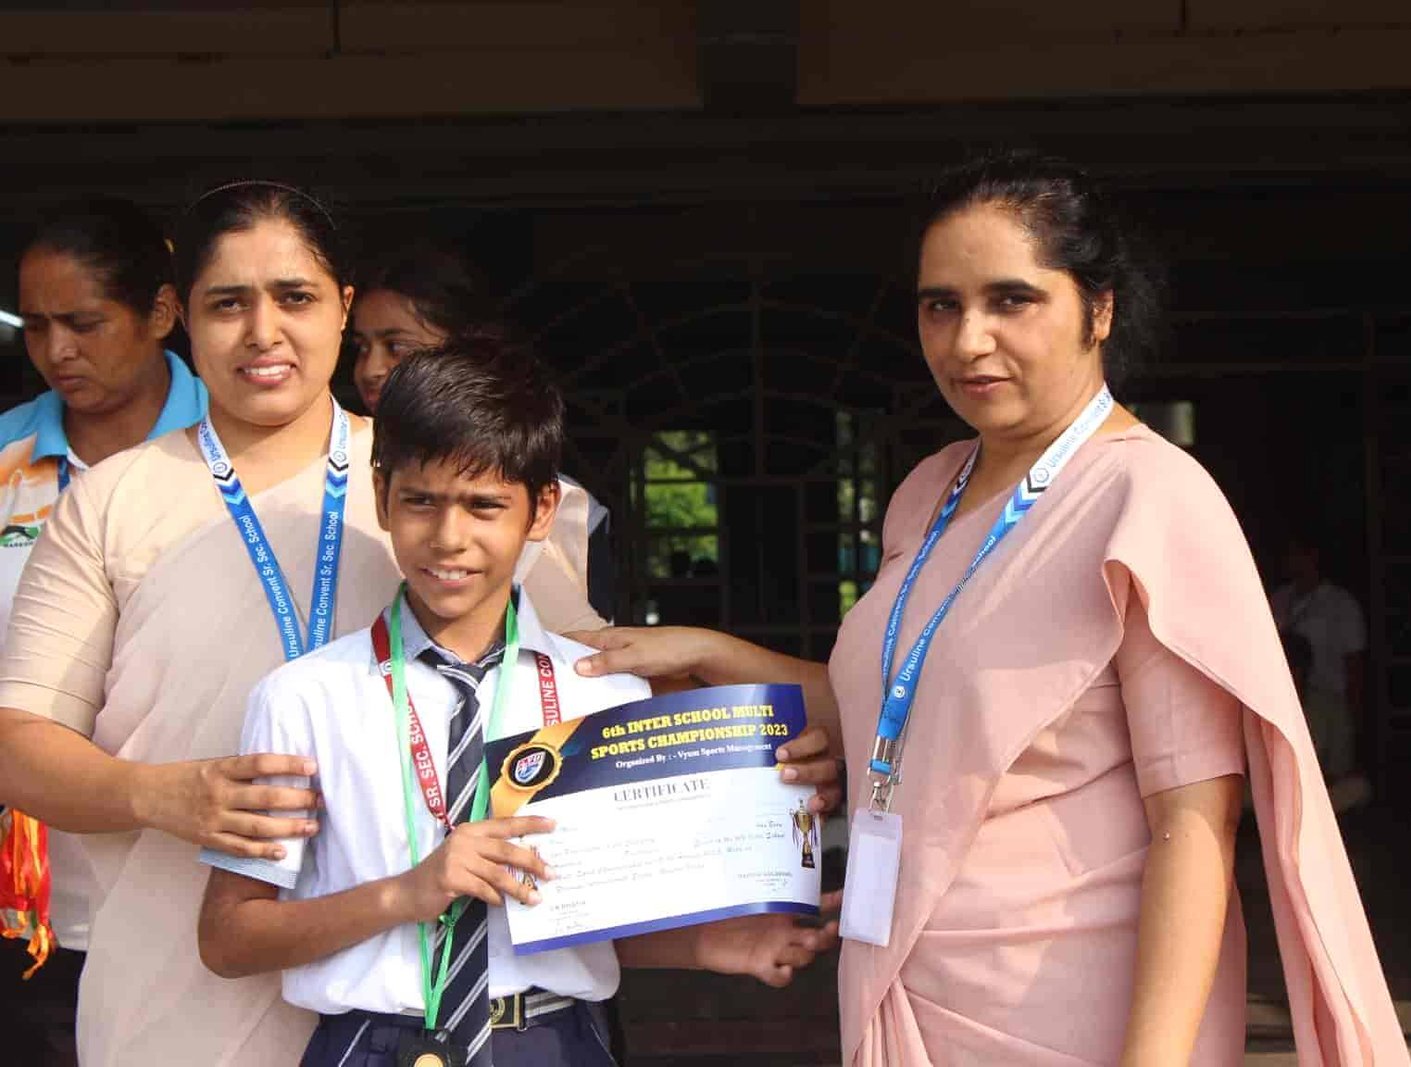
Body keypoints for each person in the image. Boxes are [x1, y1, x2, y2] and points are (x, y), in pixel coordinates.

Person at [569, 153, 1407, 1064]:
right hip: (903, 975)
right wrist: (709, 653)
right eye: (941, 305)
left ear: (1099, 309)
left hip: (1064, 1008)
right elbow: (907, 709)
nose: (968, 340)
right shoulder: (929, 490)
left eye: (1011, 300)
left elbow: (1194, 821)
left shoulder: (1149, 496)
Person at [0, 181, 689, 1067]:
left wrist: (751, 731)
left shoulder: (434, 481)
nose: (263, 332)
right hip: (178, 991)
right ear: (183, 317)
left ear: (343, 308)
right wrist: (163, 795)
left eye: (294, 297)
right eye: (228, 304)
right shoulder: (110, 501)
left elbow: (590, 677)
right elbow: (19, 741)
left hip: (423, 1004)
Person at [197, 341, 837, 1066]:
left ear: (541, 509)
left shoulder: (608, 696)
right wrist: (407, 893)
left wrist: (709, 943)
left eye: (485, 506)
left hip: (555, 1042)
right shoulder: (303, 698)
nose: (449, 538)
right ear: (382, 497)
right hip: (374, 1046)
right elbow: (228, 937)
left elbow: (591, 909)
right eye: (421, 500)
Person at [0, 197, 209, 1063]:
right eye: (36, 327)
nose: (57, 351)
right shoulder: (4, 459)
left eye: (84, 324)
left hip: (206, 879)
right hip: (27, 904)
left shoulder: (247, 446)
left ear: (160, 311)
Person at [350, 238, 616, 623]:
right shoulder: (330, 475)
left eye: (397, 347)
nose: (371, 369)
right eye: (361, 347)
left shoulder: (572, 511)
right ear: (382, 495)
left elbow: (588, 642)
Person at [1271, 535, 1366, 781]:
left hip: (1330, 700)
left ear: (1313, 556)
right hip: (1283, 704)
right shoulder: (1279, 600)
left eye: (1295, 554)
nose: (1289, 561)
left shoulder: (1341, 604)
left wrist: (1355, 716)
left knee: (1335, 776)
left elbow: (1354, 665)